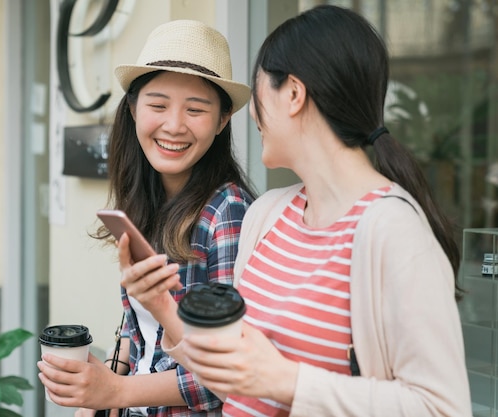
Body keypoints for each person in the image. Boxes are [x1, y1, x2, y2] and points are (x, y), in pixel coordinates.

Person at [136, 5, 473, 417]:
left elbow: (441, 408)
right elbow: (231, 376)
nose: (254, 115)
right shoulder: (266, 216)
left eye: (259, 92)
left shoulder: (393, 230)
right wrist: (160, 305)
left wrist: (285, 381)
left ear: (293, 94)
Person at [37, 19, 255, 416]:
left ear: (223, 120)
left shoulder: (227, 212)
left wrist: (115, 391)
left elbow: (225, 379)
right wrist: (95, 394)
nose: (174, 125)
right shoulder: (146, 198)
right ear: (134, 109)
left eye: (196, 109)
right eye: (158, 105)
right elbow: (136, 329)